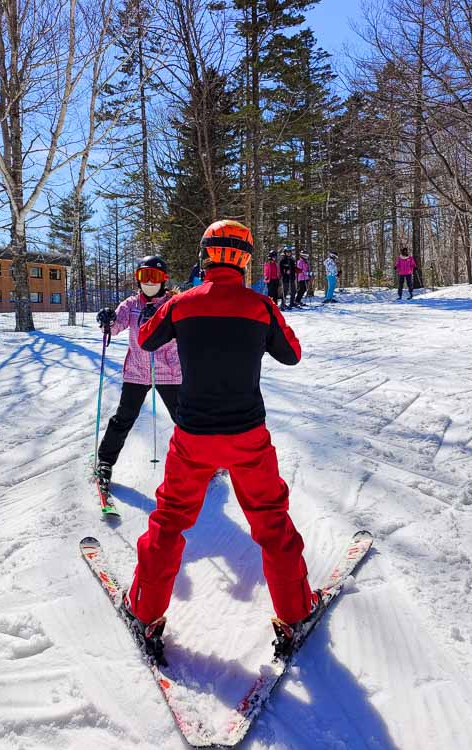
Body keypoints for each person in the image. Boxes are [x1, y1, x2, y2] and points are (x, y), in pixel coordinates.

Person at [122, 219, 318, 663]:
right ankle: (294, 611)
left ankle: (145, 610)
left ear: (206, 254)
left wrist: (175, 303)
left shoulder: (181, 304)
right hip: (248, 434)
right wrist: (265, 314)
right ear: (246, 258)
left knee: (170, 520)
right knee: (271, 521)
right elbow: (292, 353)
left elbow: (149, 340)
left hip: (193, 436)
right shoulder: (260, 306)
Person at [94, 256, 182, 499]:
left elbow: (185, 328)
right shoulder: (131, 304)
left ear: (164, 280)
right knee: (124, 417)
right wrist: (107, 320)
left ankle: (205, 461)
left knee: (185, 419)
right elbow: (115, 327)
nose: (150, 283)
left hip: (169, 371)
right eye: (145, 276)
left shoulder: (174, 303)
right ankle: (105, 461)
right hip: (137, 370)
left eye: (155, 277)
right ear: (138, 279)